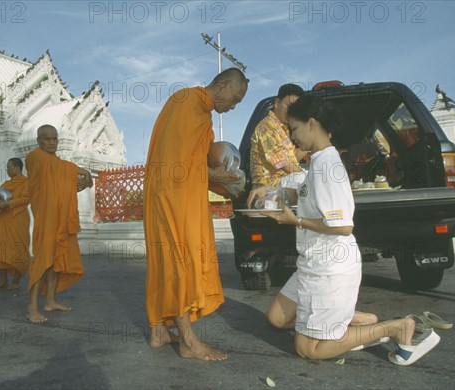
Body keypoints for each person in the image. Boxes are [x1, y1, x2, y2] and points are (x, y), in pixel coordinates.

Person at [261, 95, 439, 366]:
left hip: (329, 269)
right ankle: (349, 320)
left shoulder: (329, 167)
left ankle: (396, 328)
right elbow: (306, 194)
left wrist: (294, 221)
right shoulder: (317, 162)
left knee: (308, 349)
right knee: (276, 318)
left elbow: (343, 226)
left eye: (294, 129)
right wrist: (272, 192)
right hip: (311, 263)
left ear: (311, 124)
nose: (291, 136)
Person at [144, 68, 248, 361]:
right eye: (235, 99)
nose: (233, 106)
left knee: (166, 264)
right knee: (180, 264)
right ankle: (188, 342)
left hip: (183, 198)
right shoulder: (185, 101)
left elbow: (195, 164)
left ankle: (158, 332)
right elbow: (174, 164)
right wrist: (210, 172)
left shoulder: (205, 116)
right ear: (224, 85)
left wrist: (224, 180)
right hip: (170, 199)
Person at [25, 125, 93, 323]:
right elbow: (55, 172)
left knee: (56, 258)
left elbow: (62, 189)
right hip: (46, 218)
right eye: (47, 139)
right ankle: (32, 306)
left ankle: (51, 300)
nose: (52, 142)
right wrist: (80, 170)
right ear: (39, 140)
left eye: (55, 139)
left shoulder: (56, 162)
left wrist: (79, 184)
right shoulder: (34, 157)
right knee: (43, 259)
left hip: (59, 218)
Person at [250, 83, 308, 188]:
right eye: (289, 106)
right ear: (277, 103)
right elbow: (285, 165)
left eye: (296, 108)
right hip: (267, 192)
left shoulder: (283, 129)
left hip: (283, 188)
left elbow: (292, 159)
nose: (292, 112)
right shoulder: (267, 127)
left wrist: (312, 142)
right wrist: (308, 176)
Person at [0, 158, 30, 290]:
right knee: (1, 249)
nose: (7, 169)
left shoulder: (27, 182)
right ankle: (2, 281)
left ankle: (15, 281)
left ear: (17, 168)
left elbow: (26, 198)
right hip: (3, 219)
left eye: (9, 167)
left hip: (18, 220)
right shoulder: (6, 183)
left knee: (18, 249)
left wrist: (8, 204)